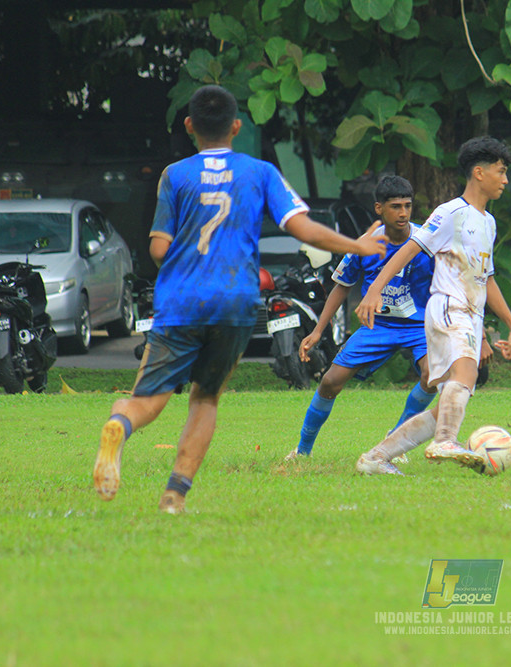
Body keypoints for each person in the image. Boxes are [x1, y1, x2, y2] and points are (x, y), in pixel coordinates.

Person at [92, 84, 387, 513]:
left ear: (189, 126)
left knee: (147, 400)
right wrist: (357, 246)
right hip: (235, 302)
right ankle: (174, 496)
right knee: (205, 398)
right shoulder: (259, 172)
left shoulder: (175, 175)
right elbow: (301, 228)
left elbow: (158, 249)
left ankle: (120, 424)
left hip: (181, 302)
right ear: (235, 126)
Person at [353, 136, 511, 476]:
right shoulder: (450, 213)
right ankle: (445, 440)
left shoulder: (487, 222)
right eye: (501, 171)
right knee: (466, 377)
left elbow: (486, 279)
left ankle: (375, 458)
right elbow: (409, 249)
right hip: (449, 308)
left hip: (469, 315)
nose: (505, 180)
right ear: (479, 173)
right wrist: (374, 290)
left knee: (449, 401)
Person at [284, 175, 439, 459]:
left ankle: (396, 438)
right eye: (395, 206)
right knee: (330, 381)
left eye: (407, 205)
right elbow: (341, 287)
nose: (403, 213)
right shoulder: (365, 244)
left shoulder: (426, 242)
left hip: (419, 326)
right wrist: (318, 330)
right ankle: (302, 451)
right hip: (377, 326)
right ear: (379, 208)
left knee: (432, 376)